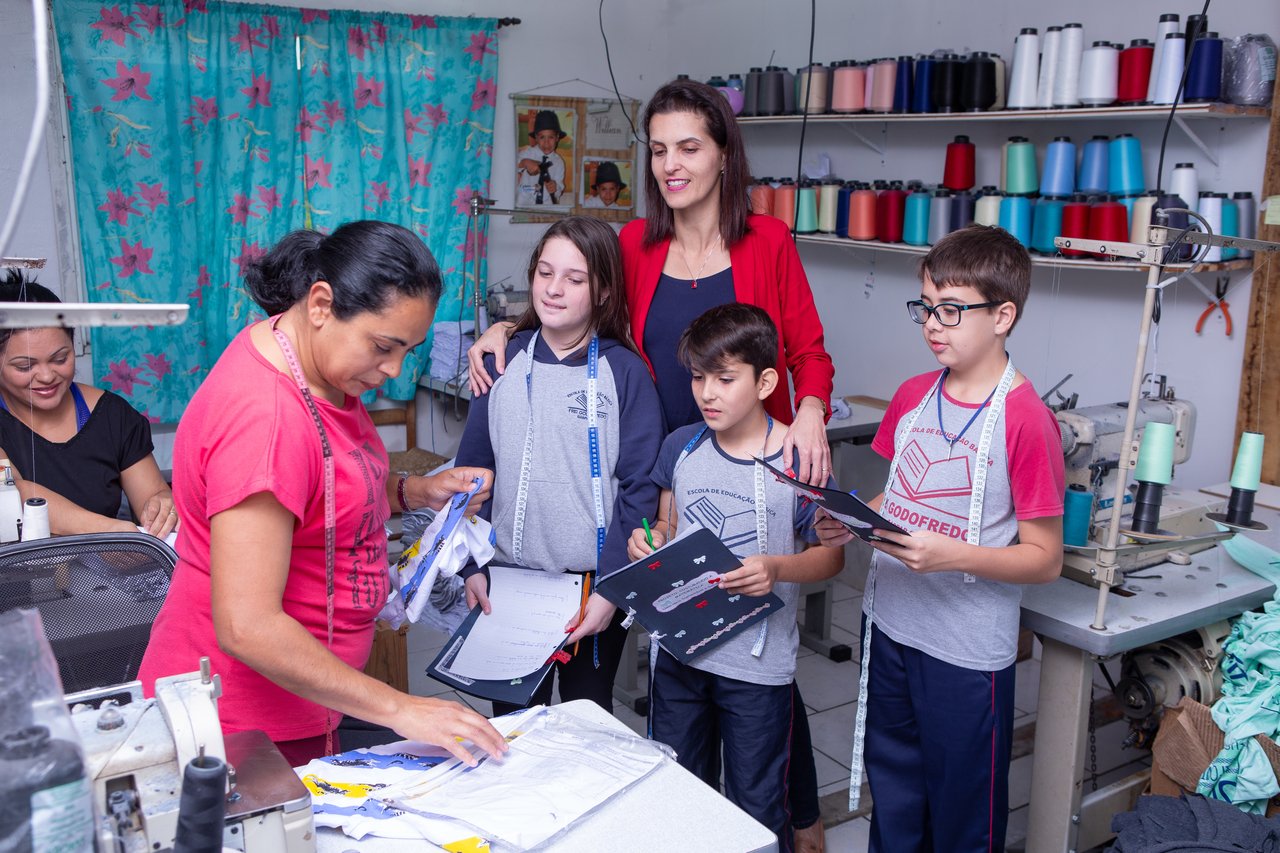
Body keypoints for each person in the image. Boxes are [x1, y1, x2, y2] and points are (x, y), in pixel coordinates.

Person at [471, 77, 835, 853]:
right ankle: (667, 820)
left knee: (755, 660)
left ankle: (797, 818)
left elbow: (805, 350)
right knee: (683, 661)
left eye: (689, 148)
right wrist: (506, 325)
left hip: (743, 469)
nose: (672, 165)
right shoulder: (636, 243)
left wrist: (808, 410)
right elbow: (575, 295)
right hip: (657, 475)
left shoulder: (767, 242)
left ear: (722, 153)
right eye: (659, 149)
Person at [139, 221, 506, 768]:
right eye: (383, 347)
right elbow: (248, 624)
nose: (393, 370)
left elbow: (324, 484)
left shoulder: (319, 367)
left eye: (408, 350)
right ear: (320, 304)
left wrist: (414, 491)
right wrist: (400, 708)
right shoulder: (265, 420)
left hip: (307, 704)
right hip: (239, 727)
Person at [815, 226, 1064, 853]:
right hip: (890, 626)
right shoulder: (911, 396)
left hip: (963, 652)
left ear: (1003, 316)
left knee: (962, 813)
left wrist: (949, 555)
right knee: (894, 796)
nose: (933, 323)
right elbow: (895, 497)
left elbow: (1044, 559)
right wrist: (851, 517)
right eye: (925, 307)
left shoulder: (1027, 420)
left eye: (951, 310)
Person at [627, 303, 843, 853]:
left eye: (725, 379)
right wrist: (648, 543)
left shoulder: (799, 460)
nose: (708, 393)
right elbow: (666, 527)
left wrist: (776, 569)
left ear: (765, 380)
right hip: (678, 658)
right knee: (679, 791)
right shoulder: (681, 446)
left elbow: (830, 559)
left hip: (755, 669)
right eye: (699, 378)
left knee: (755, 807)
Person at [458, 216, 662, 716]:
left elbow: (639, 489)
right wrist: (470, 565)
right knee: (511, 726)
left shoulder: (626, 373)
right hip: (506, 580)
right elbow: (472, 472)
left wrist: (612, 590)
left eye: (574, 279)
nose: (553, 289)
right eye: (544, 273)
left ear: (605, 291)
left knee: (583, 722)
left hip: (592, 590)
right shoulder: (501, 361)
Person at [0, 270, 176, 538]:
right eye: (25, 366)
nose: (47, 376)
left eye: (60, 359)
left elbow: (152, 494)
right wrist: (111, 531)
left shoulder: (112, 416)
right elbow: (16, 494)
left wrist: (161, 506)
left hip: (105, 574)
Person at [516, 109, 567, 206]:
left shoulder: (559, 162)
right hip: (523, 204)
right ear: (536, 137)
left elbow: (559, 188)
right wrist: (525, 162)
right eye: (542, 137)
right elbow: (511, 166)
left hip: (546, 206)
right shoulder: (527, 153)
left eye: (551, 137)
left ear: (557, 138)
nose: (546, 142)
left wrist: (555, 188)